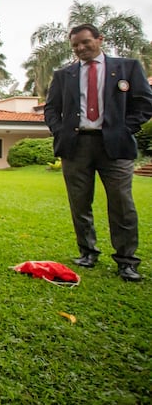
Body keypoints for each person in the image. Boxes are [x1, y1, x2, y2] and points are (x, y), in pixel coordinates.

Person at [44, 23, 152, 282]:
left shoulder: (127, 68)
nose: (80, 48)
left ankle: (127, 261)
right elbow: (51, 108)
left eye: (85, 42)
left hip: (114, 146)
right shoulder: (64, 75)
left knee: (121, 203)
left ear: (99, 39)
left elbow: (145, 102)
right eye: (75, 46)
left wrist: (125, 129)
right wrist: (61, 131)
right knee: (80, 202)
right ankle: (87, 252)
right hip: (76, 145)